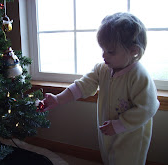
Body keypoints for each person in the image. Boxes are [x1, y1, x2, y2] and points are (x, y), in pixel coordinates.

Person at [41, 12, 160, 165]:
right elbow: (82, 86)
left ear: (133, 51)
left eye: (110, 51)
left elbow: (148, 108)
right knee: (109, 158)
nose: (104, 55)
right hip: (107, 133)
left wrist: (119, 125)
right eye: (103, 49)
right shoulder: (102, 69)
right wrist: (58, 99)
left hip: (131, 138)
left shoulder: (139, 76)